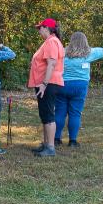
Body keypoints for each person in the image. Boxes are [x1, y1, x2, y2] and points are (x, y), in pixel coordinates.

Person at [55, 32, 103, 147]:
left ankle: (56, 139)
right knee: (75, 113)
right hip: (80, 86)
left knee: (59, 112)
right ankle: (72, 141)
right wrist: (87, 48)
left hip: (62, 85)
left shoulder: (62, 52)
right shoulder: (89, 54)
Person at [28, 18, 64, 157]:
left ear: (47, 28)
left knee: (48, 115)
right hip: (46, 83)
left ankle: (50, 147)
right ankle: (46, 144)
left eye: (40, 28)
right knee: (45, 114)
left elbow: (51, 64)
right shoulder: (50, 42)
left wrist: (44, 84)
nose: (39, 31)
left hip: (48, 84)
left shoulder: (52, 42)